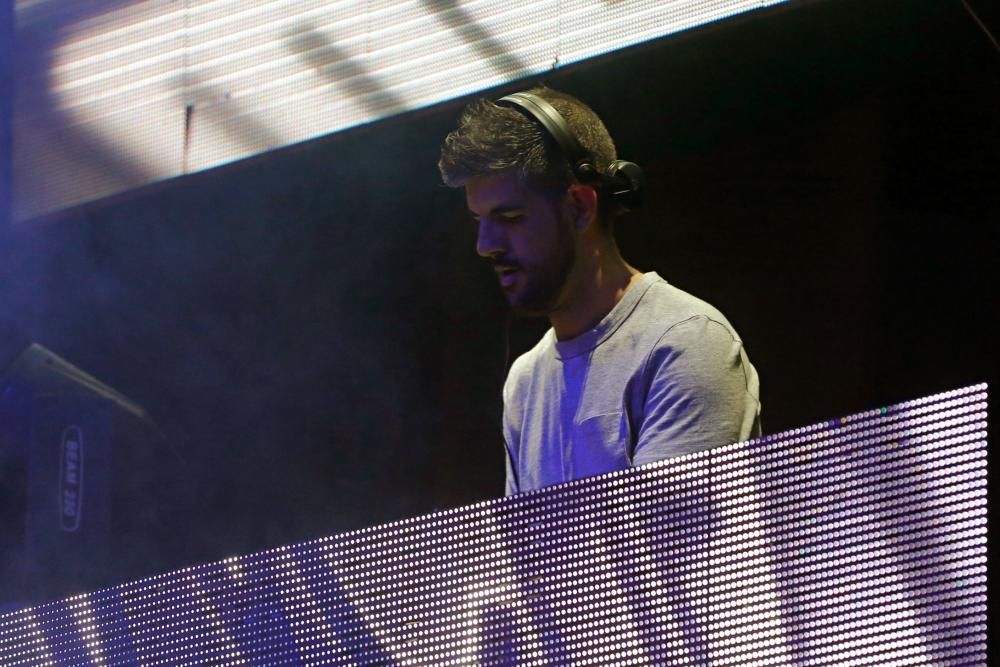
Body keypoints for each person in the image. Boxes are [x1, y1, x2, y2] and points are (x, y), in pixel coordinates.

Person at [439, 86, 761, 495]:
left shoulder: (685, 343)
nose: (486, 245)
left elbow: (670, 553)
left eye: (510, 217)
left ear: (580, 207)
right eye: (478, 220)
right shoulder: (524, 382)